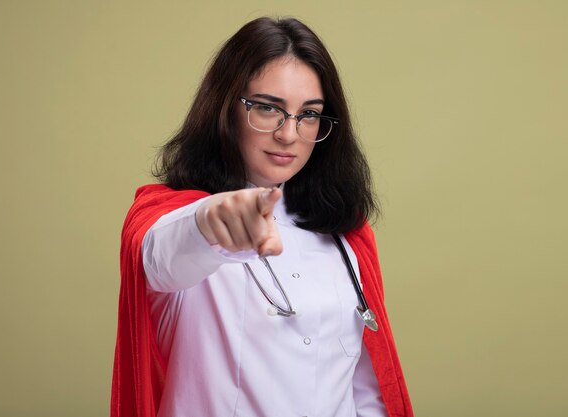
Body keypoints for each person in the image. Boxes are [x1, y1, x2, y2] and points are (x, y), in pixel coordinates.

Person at [111, 17, 413, 417]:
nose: (289, 134)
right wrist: (211, 222)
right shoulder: (172, 218)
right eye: (268, 108)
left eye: (309, 114)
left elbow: (367, 388)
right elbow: (158, 256)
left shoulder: (346, 236)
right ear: (225, 108)